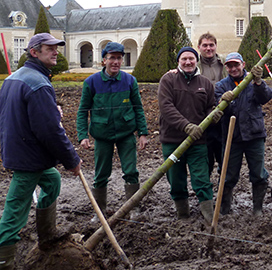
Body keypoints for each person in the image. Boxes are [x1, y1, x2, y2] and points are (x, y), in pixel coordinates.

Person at [0, 33, 81, 269]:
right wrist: (71, 160)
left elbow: (22, 113)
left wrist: (51, 110)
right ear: (34, 52)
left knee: (52, 180)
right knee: (15, 211)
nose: (56, 52)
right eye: (49, 48)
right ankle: (5, 260)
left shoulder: (15, 78)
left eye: (57, 48)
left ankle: (47, 235)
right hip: (29, 156)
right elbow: (50, 131)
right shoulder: (38, 83)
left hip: (19, 149)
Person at [76, 42, 149, 214]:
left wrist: (143, 133)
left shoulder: (129, 81)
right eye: (111, 58)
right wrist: (82, 135)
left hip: (126, 133)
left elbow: (138, 107)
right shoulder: (91, 83)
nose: (116, 62)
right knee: (101, 174)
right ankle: (99, 212)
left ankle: (133, 209)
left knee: (131, 171)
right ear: (104, 61)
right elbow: (82, 110)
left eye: (119, 58)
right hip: (102, 135)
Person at [158, 46, 222, 223]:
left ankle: (209, 216)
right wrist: (186, 126)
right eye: (184, 59)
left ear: (196, 61)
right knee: (176, 179)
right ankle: (183, 215)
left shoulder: (205, 83)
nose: (188, 62)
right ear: (178, 61)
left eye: (191, 59)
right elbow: (166, 108)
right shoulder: (168, 80)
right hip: (172, 140)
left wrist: (214, 114)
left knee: (201, 178)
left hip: (198, 141)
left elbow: (209, 106)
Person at [214, 52, 272, 216]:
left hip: (254, 134)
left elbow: (266, 97)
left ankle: (257, 209)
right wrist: (221, 102)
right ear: (226, 67)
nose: (233, 68)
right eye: (230, 66)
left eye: (236, 65)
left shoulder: (252, 81)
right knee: (227, 174)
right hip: (232, 136)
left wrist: (259, 82)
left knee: (258, 173)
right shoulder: (221, 85)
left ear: (243, 64)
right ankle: (224, 208)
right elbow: (217, 108)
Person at [196, 33, 226, 176]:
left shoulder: (224, 64)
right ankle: (205, 190)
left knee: (224, 157)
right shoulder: (193, 66)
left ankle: (224, 189)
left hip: (223, 117)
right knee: (205, 158)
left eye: (211, 45)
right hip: (202, 119)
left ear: (215, 46)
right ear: (199, 47)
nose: (208, 48)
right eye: (205, 45)